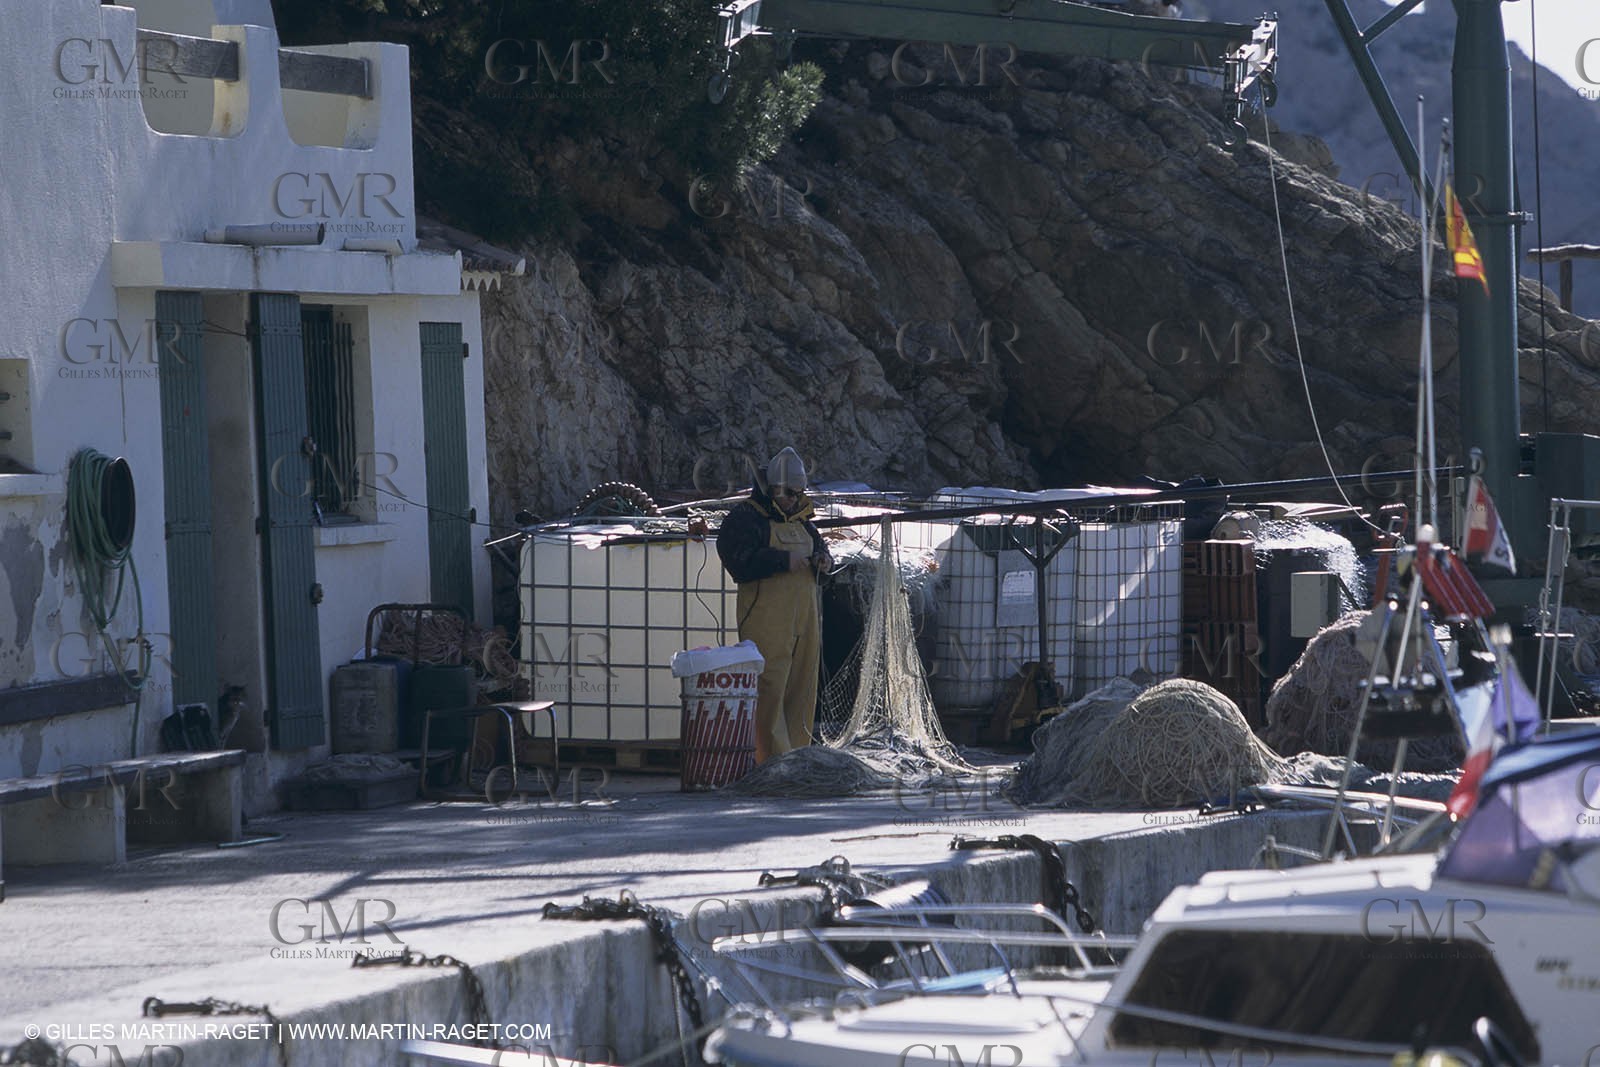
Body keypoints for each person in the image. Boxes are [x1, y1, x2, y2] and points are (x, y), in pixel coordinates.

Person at [716, 447, 831, 764]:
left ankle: (796, 756)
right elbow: (738, 563)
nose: (795, 501)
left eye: (799, 494)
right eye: (789, 494)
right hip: (766, 620)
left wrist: (823, 559)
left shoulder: (803, 520)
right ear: (774, 489)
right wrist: (782, 560)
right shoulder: (746, 518)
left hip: (804, 621)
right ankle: (769, 761)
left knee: (802, 685)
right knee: (769, 686)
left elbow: (819, 546)